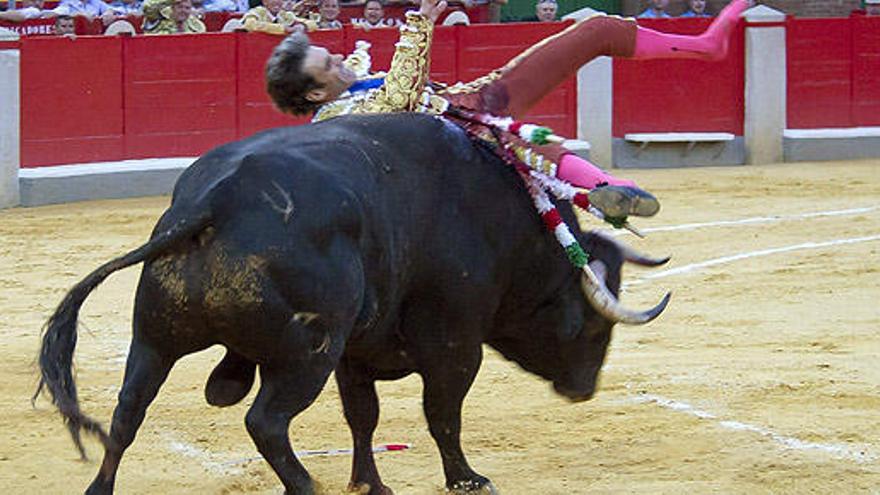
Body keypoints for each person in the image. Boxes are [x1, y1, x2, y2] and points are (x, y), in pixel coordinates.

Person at [265, 0, 752, 222]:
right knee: (520, 140)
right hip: (449, 149)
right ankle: (604, 189)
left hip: (471, 107)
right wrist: (420, 22)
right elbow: (398, 101)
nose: (339, 60)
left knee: (596, 30)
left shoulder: (343, 89)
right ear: (312, 95)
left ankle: (704, 46)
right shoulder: (330, 125)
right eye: (328, 64)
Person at [242, 0, 316, 33]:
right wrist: (283, 29)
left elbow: (313, 24)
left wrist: (303, 26)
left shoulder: (284, 15)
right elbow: (249, 25)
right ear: (265, 2)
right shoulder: (257, 12)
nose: (277, 1)